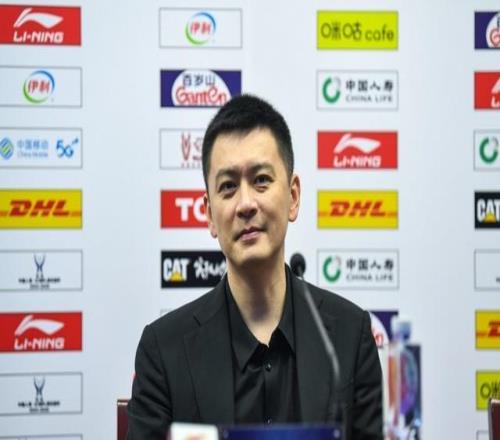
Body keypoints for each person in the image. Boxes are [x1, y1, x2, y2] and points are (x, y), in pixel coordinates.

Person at [127, 95, 383, 439]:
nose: (246, 203)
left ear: (293, 197)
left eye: (261, 180)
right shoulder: (163, 350)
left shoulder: (348, 337)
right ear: (209, 214)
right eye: (228, 186)